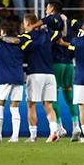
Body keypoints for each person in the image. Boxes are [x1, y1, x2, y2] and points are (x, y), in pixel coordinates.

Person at [42, 1, 82, 140]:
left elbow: (57, 39)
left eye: (47, 7)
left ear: (52, 8)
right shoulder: (70, 21)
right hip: (69, 64)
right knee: (69, 97)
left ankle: (59, 127)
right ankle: (76, 126)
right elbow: (82, 27)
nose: (46, 9)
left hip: (56, 63)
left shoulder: (50, 22)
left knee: (52, 96)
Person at [20, 14, 60, 143]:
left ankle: (33, 136)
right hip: (50, 75)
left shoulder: (26, 37)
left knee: (31, 105)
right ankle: (53, 132)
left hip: (35, 74)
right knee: (48, 105)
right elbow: (59, 33)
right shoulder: (48, 34)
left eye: (24, 23)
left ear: (28, 23)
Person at [0, 21, 25, 143]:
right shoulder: (21, 44)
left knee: (0, 104)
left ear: (3, 32)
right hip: (18, 78)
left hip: (3, 78)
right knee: (15, 108)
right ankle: (15, 136)